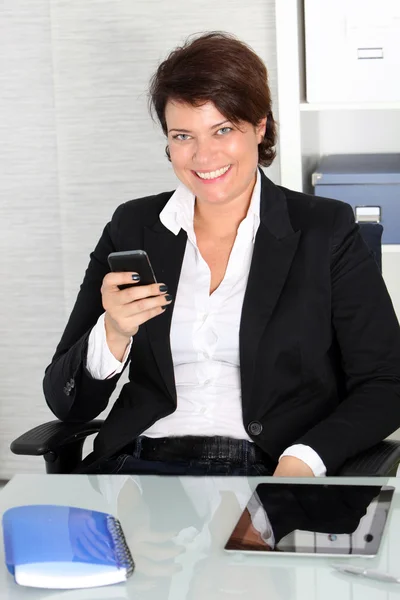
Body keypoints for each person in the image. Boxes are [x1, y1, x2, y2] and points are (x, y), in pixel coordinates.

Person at [43, 31, 400, 477]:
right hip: (139, 466)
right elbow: (67, 402)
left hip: (270, 466)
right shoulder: (132, 227)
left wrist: (305, 459)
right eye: (183, 135)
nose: (203, 155)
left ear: (260, 126)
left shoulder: (324, 229)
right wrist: (113, 332)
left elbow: (387, 384)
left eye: (223, 129)